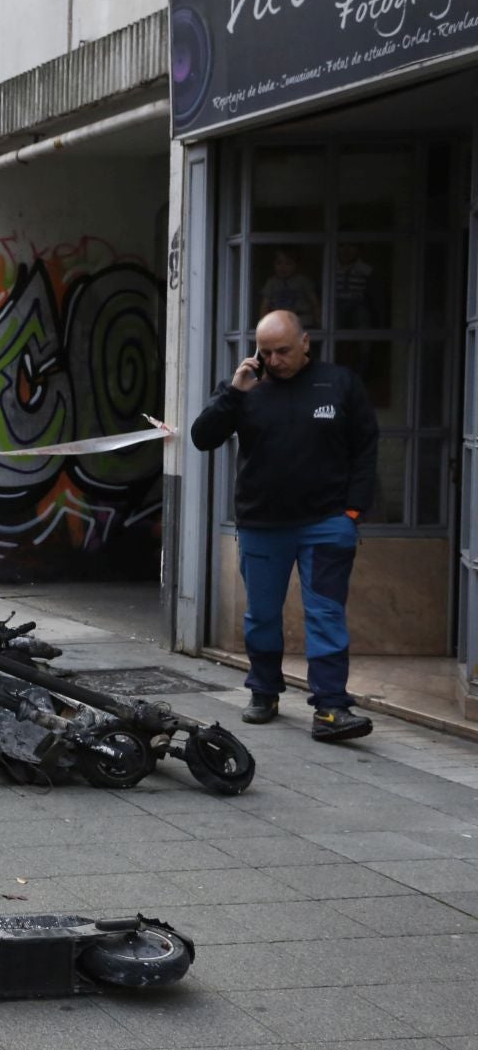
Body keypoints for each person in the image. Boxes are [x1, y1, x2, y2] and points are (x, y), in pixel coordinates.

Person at [190, 309, 379, 742]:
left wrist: (353, 512)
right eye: (266, 352)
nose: (275, 360)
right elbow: (203, 438)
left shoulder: (339, 383)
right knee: (261, 616)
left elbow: (365, 448)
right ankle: (263, 691)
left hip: (327, 522)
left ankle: (331, 707)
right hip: (262, 523)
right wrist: (234, 394)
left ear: (306, 342)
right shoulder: (245, 387)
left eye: (283, 351)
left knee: (326, 614)